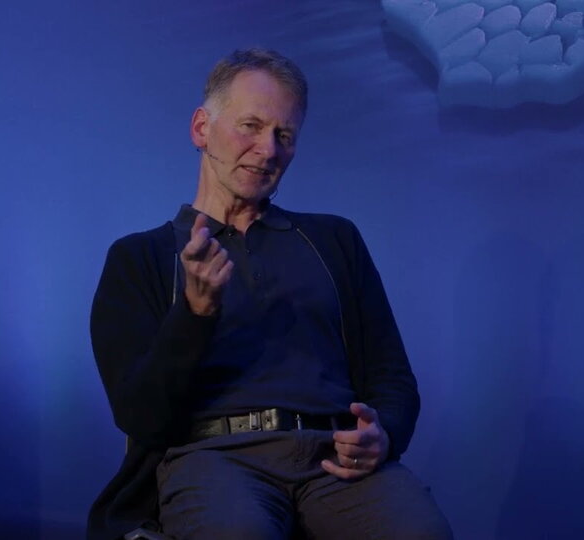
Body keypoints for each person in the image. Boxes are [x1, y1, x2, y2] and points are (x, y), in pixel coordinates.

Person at [88, 48, 452, 540]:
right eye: (251, 126)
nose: (268, 149)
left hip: (333, 459)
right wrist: (194, 313)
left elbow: (391, 376)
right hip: (214, 459)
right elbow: (140, 415)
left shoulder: (333, 240)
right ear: (201, 128)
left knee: (420, 533)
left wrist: (382, 432)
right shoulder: (141, 257)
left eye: (285, 135)